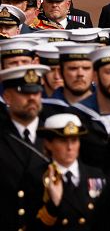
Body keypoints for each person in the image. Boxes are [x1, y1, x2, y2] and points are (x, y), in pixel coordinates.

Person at [32, 113, 106, 231]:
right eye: (62, 141)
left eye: (74, 140)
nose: (70, 147)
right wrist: (53, 205)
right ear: (48, 144)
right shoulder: (36, 177)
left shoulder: (96, 175)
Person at [0, 64, 52, 231]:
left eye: (36, 92)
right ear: (7, 97)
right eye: (24, 92)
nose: (32, 98)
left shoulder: (54, 136)